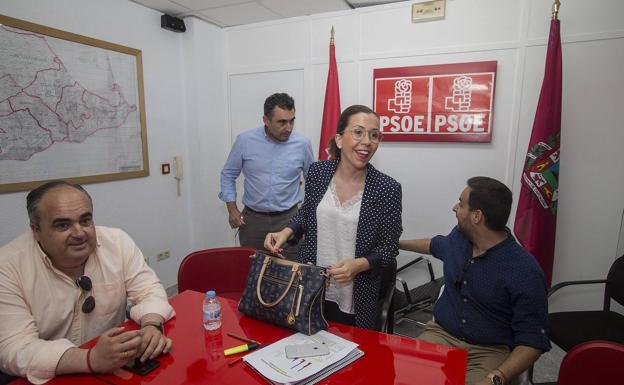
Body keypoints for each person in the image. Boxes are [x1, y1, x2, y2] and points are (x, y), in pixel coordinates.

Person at [0, 181, 175, 384]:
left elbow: (149, 289)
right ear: (35, 230)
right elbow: (14, 347)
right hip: (48, 376)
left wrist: (152, 325)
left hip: (113, 368)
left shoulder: (117, 242)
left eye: (85, 220)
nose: (79, 233)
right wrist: (90, 359)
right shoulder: (7, 267)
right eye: (63, 225)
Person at [399, 177, 550, 385]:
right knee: (402, 378)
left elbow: (533, 341)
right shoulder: (458, 240)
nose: (455, 208)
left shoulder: (524, 271)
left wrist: (496, 378)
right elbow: (435, 245)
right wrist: (396, 244)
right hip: (442, 335)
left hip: (489, 350)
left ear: (477, 216)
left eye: (461, 204)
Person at [264, 105, 402, 330]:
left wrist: (358, 265)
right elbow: (307, 212)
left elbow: (389, 248)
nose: (367, 141)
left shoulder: (387, 188)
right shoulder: (318, 173)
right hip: (311, 284)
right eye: (358, 132)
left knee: (352, 357)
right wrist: (286, 232)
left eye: (374, 135)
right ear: (339, 139)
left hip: (355, 294)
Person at [219, 93, 314, 259]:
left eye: (292, 120)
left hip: (289, 221)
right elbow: (228, 174)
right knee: (252, 273)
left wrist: (306, 216)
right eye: (282, 122)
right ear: (266, 120)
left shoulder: (302, 143)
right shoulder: (245, 141)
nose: (289, 127)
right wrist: (232, 209)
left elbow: (313, 181)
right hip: (253, 222)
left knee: (290, 273)